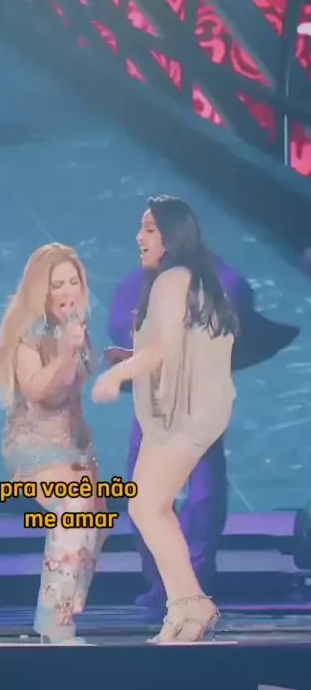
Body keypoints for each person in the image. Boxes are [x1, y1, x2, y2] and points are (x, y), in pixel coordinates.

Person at [107, 256, 299, 616]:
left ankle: (190, 579)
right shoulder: (138, 287)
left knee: (200, 493)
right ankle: (166, 581)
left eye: (150, 231)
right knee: (149, 494)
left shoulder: (214, 281)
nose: (141, 238)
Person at [92, 196, 239, 643]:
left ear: (172, 235)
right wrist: (130, 358)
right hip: (187, 410)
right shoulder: (189, 278)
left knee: (146, 506)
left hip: (185, 413)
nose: (140, 237)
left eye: (150, 228)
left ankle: (191, 604)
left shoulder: (173, 279)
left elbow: (164, 350)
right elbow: (179, 345)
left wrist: (116, 376)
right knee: (147, 506)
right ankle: (186, 605)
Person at [0, 243, 106, 646]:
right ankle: (54, 624)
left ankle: (66, 610)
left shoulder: (75, 325)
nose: (67, 291)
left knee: (97, 518)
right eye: (57, 284)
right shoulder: (29, 332)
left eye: (73, 281)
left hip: (73, 443)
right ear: (41, 290)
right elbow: (38, 389)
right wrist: (64, 354)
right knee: (75, 505)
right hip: (35, 444)